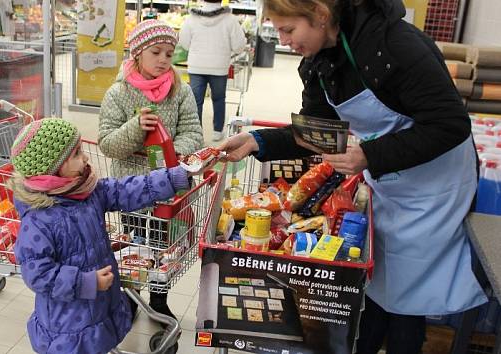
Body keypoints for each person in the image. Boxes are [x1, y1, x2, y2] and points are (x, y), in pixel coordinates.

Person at [219, 0, 487, 353]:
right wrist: (257, 140)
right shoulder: (319, 63)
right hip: (389, 179)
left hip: (434, 186)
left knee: (408, 294)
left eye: (288, 30)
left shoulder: (396, 47)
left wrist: (370, 154)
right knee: (375, 279)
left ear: (320, 13)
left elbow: (450, 123)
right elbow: (316, 132)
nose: (283, 41)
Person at [9, 118, 193, 354]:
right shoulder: (38, 220)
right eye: (76, 154)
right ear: (52, 169)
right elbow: (38, 274)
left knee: (100, 343)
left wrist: (172, 178)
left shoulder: (87, 190)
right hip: (67, 320)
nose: (85, 158)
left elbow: (125, 189)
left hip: (99, 303)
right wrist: (85, 282)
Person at [98, 19, 203, 320]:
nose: (163, 60)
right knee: (133, 244)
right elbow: (107, 143)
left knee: (164, 247)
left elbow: (194, 132)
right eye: (156, 52)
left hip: (169, 186)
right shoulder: (118, 94)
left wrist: (173, 148)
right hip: (129, 188)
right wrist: (135, 128)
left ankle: (158, 299)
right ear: (137, 53)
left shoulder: (180, 91)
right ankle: (131, 297)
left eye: (169, 54)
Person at [178, 0, 246, 141]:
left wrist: (196, 50)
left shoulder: (192, 19)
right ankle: (217, 131)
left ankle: (196, 133)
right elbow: (239, 45)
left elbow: (183, 42)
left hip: (196, 65)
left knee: (196, 101)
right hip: (219, 66)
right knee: (219, 99)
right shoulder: (230, 20)